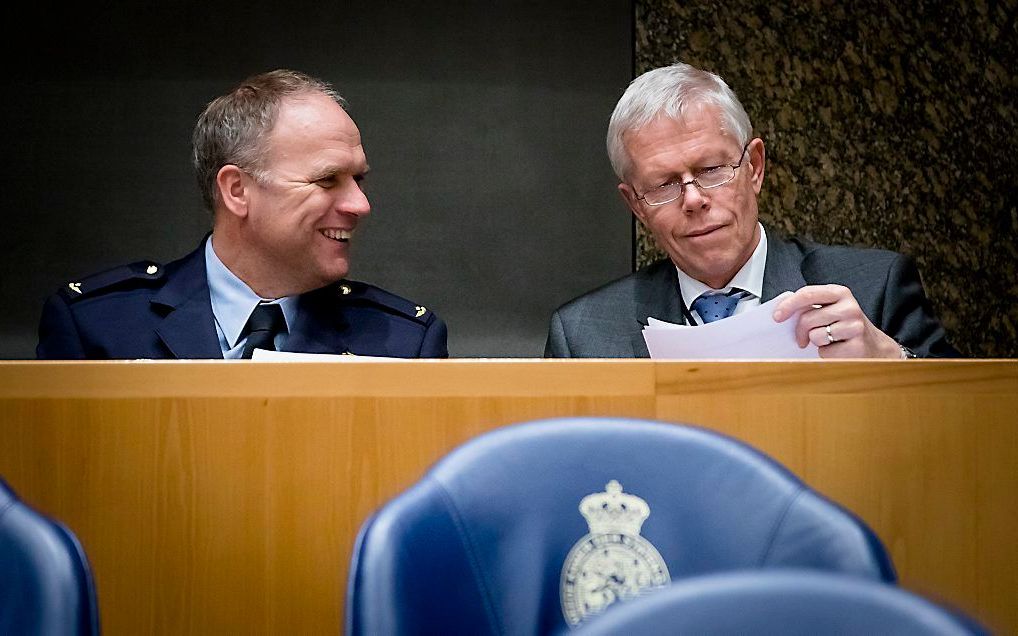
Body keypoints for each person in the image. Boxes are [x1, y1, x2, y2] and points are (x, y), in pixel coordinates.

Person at [546, 62, 956, 359]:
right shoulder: (585, 335)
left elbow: (969, 426)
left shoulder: (874, 289)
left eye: (710, 170)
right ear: (636, 204)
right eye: (665, 184)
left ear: (754, 167)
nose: (693, 199)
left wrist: (888, 358)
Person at [37, 70, 447, 359]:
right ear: (237, 191)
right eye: (326, 180)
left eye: (358, 180)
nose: (360, 205)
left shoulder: (403, 343)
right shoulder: (99, 325)